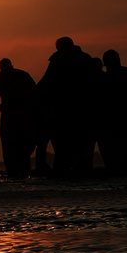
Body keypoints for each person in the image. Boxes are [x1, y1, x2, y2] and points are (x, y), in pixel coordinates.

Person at [38, 37, 101, 176]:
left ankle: (66, 172)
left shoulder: (59, 60)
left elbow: (46, 80)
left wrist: (35, 92)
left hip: (67, 110)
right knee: (81, 148)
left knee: (64, 148)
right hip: (81, 110)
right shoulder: (84, 59)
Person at [0, 58, 38, 178]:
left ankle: (14, 170)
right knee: (21, 142)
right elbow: (35, 93)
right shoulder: (22, 75)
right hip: (20, 113)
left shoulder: (0, 77)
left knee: (9, 144)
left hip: (14, 114)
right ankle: (21, 169)